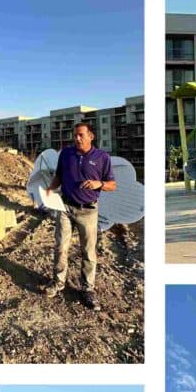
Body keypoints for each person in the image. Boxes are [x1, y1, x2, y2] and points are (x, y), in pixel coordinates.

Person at [43, 122, 116, 311]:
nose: (77, 138)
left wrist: (98, 184)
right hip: (65, 207)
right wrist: (50, 189)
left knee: (88, 252)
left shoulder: (102, 157)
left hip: (88, 211)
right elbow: (59, 175)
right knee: (60, 246)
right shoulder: (66, 154)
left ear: (91, 136)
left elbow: (112, 185)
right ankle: (58, 282)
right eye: (75, 135)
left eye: (81, 135)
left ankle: (87, 289)